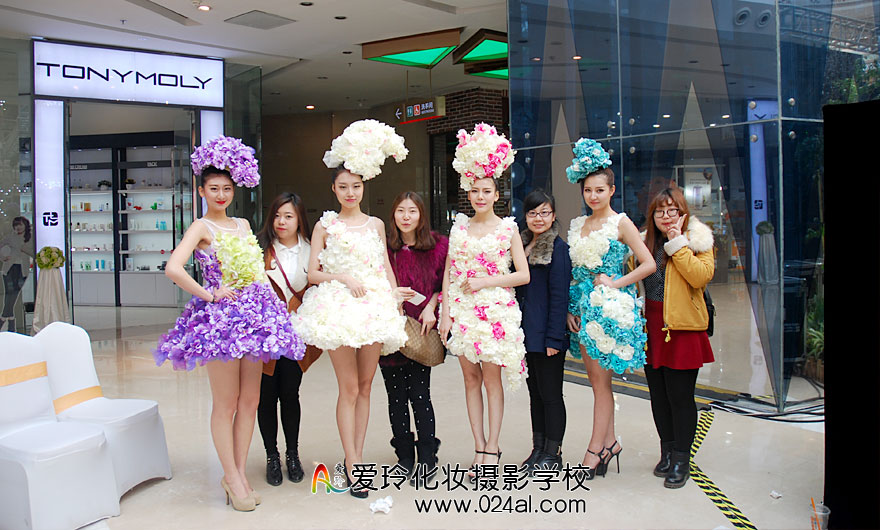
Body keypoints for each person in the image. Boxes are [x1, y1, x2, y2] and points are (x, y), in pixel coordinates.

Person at [155, 137, 304, 512]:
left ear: (234, 189)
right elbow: (174, 268)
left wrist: (268, 304)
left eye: (226, 188)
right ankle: (232, 476)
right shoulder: (200, 226)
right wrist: (209, 294)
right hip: (221, 321)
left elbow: (255, 270)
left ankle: (236, 473)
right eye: (213, 189)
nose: (221, 195)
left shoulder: (242, 224)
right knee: (226, 403)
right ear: (201, 191)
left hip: (254, 316)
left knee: (250, 400)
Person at [293, 119, 409, 499]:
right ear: (334, 189)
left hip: (373, 306)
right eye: (343, 186)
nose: (349, 192)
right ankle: (354, 462)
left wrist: (395, 297)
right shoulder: (325, 226)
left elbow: (384, 266)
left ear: (364, 186)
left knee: (366, 386)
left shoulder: (375, 224)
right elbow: (312, 273)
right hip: (338, 307)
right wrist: (343, 277)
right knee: (348, 388)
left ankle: (356, 455)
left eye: (355, 186)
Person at [439, 123, 528, 479]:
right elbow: (449, 272)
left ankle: (493, 447)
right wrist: (446, 313)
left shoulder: (508, 228)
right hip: (462, 310)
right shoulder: (459, 227)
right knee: (470, 379)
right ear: (468, 191)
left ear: (496, 194)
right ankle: (478, 445)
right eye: (474, 190)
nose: (480, 196)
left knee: (492, 380)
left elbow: (523, 275)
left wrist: (485, 281)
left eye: (486, 191)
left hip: (495, 312)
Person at [565, 138, 655, 479]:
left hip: (606, 309)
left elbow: (648, 263)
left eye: (600, 190)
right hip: (582, 308)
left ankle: (593, 451)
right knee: (594, 380)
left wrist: (616, 284)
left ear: (612, 190)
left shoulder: (621, 223)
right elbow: (575, 272)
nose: (593, 196)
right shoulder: (578, 224)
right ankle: (610, 443)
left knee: (601, 384)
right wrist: (570, 307)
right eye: (588, 190)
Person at [640, 186, 715, 489]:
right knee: (658, 396)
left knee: (680, 397)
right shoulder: (644, 242)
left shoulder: (698, 241)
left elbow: (700, 277)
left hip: (682, 328)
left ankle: (682, 459)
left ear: (683, 213)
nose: (666, 216)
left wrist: (678, 244)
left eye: (673, 210)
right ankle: (668, 451)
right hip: (652, 327)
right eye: (660, 211)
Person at [381, 190, 448, 485]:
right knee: (395, 396)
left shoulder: (437, 246)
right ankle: (404, 456)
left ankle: (428, 456)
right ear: (393, 215)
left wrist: (433, 306)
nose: (406, 217)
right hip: (391, 328)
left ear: (421, 215)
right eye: (401, 211)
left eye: (412, 211)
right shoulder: (384, 248)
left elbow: (444, 284)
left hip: (421, 327)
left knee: (420, 395)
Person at [255, 192, 316, 487]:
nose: (282, 222)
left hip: (295, 334)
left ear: (299, 219)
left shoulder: (312, 250)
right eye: (277, 215)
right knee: (265, 396)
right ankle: (271, 455)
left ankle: (292, 454)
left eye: (289, 216)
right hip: (264, 335)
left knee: (290, 393)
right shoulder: (260, 249)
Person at [515, 189, 571, 472]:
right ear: (526, 216)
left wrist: (554, 338)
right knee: (535, 394)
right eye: (533, 213)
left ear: (553, 215)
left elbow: (560, 298)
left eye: (544, 213)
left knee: (551, 395)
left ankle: (553, 452)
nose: (539, 218)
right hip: (526, 333)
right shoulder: (521, 244)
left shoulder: (558, 249)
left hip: (547, 335)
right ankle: (538, 448)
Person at [0, 216, 33, 332]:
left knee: (14, 294)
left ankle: (4, 318)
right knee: (9, 294)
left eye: (20, 225)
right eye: (16, 225)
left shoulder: (30, 238)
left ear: (25, 225)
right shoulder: (10, 237)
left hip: (22, 270)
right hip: (9, 268)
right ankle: (11, 323)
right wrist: (3, 257)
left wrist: (24, 249)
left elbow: (34, 253)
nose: (18, 227)